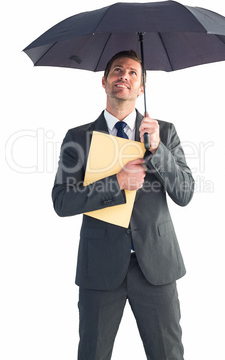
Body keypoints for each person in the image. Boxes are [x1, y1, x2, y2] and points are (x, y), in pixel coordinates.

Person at [52, 50, 194, 360]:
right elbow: (62, 201)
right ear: (104, 82)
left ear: (141, 87)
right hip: (100, 266)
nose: (124, 76)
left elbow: (185, 193)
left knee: (168, 354)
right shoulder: (78, 138)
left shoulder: (164, 133)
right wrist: (116, 181)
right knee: (93, 353)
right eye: (117, 71)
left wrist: (157, 151)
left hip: (155, 265)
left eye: (132, 73)